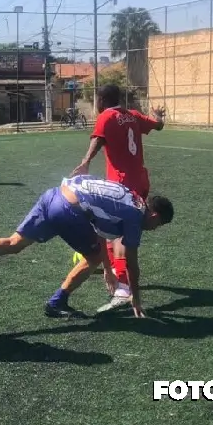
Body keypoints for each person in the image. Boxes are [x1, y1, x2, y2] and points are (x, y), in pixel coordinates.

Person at [0, 175, 174, 319]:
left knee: (14, 243)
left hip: (54, 196)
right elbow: (132, 264)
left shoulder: (129, 196)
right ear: (154, 215)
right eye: (159, 224)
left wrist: (107, 268)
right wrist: (136, 297)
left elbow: (97, 225)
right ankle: (57, 302)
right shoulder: (136, 216)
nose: (154, 229)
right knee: (91, 258)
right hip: (69, 212)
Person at [71, 84, 166, 313]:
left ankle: (123, 287)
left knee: (116, 236)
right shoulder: (132, 115)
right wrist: (157, 115)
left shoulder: (107, 117)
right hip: (141, 181)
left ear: (102, 100)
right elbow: (159, 125)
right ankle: (120, 275)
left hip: (121, 185)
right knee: (126, 234)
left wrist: (85, 161)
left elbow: (97, 140)